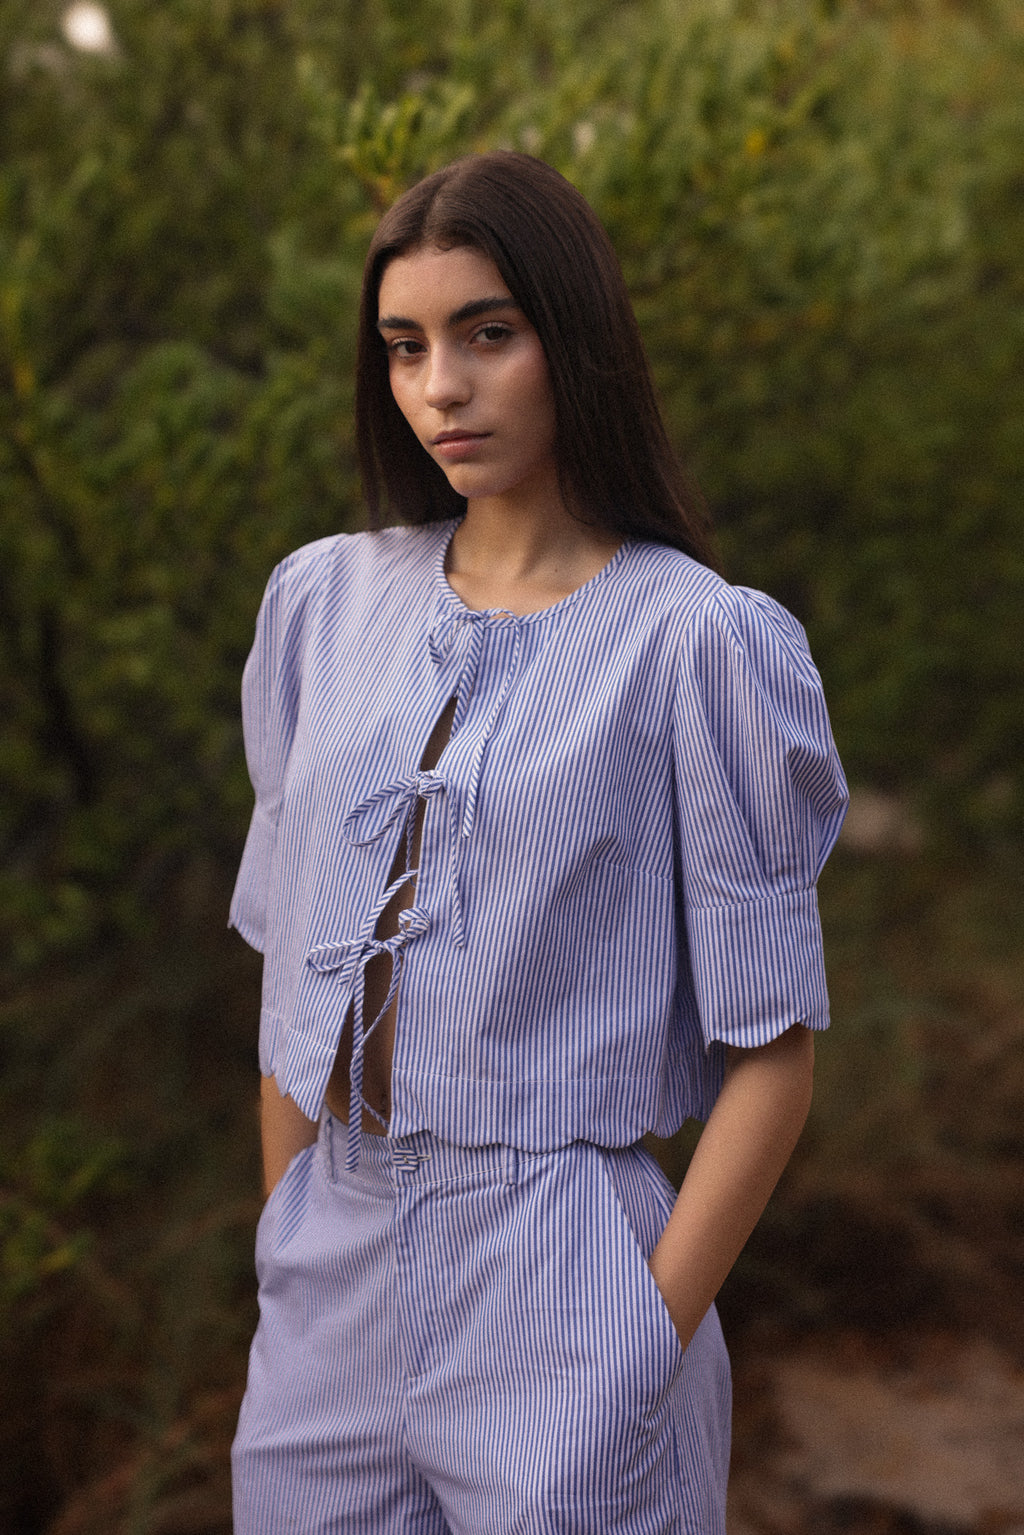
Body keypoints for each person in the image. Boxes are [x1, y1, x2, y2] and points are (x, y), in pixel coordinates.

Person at [229, 150, 848, 1534]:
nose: (439, 386)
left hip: (568, 1278)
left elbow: (774, 1054)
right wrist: (289, 1238)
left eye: (486, 335)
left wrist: (641, 1343)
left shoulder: (701, 642)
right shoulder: (322, 606)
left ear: (574, 339)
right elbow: (286, 965)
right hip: (329, 1275)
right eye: (405, 346)